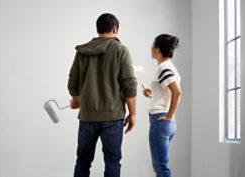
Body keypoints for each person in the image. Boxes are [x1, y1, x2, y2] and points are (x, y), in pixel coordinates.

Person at [68, 13, 137, 177]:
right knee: (112, 162)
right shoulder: (121, 50)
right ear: (115, 29)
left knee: (83, 161)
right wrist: (133, 114)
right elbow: (129, 84)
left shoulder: (82, 51)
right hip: (112, 118)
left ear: (98, 29)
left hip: (87, 117)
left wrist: (77, 100)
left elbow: (73, 81)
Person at [142, 34, 181, 177]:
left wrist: (169, 116)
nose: (150, 48)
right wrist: (150, 92)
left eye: (152, 45)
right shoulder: (168, 67)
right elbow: (166, 92)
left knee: (161, 168)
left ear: (157, 50)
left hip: (160, 121)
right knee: (161, 166)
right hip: (165, 122)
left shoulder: (164, 67)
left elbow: (177, 92)